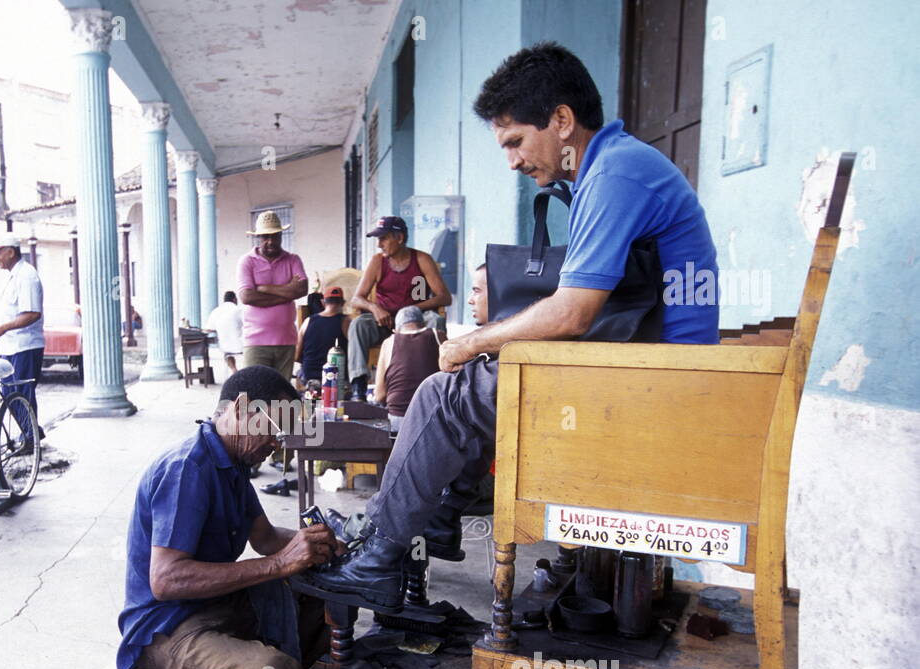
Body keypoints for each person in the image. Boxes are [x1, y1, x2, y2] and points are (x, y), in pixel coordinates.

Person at [302, 41, 719, 611]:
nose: (514, 162)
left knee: (442, 396)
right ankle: (433, 521)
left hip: (655, 379)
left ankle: (379, 555)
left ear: (562, 121)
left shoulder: (616, 172)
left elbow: (573, 312)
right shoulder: (614, 166)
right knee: (473, 383)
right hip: (651, 366)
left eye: (516, 141)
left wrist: (471, 342)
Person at [117, 365, 472, 669]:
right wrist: (281, 565)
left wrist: (324, 546)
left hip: (212, 608)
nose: (278, 445)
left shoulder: (231, 467)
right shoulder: (189, 471)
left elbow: (266, 539)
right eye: (275, 430)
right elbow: (166, 580)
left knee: (310, 596)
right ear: (243, 411)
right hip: (166, 632)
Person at [345, 216, 451, 401]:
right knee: (359, 325)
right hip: (384, 321)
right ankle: (358, 387)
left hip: (416, 321)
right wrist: (375, 308)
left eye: (383, 238)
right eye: (378, 239)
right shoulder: (377, 261)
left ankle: (439, 378)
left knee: (436, 320)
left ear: (399, 238)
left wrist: (412, 310)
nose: (379, 244)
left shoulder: (421, 259)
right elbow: (356, 299)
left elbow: (444, 297)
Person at [0, 232, 44, 452]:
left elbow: (32, 314)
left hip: (25, 346)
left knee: (21, 394)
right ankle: (32, 432)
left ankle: (31, 439)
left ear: (11, 252)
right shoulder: (13, 276)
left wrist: (3, 328)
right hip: (10, 346)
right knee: (10, 394)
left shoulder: (27, 276)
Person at [237, 211, 308, 380]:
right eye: (265, 237)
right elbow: (247, 297)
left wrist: (264, 288)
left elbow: (302, 289)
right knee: (254, 395)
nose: (270, 241)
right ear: (258, 238)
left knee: (280, 397)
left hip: (286, 340)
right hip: (256, 342)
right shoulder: (247, 261)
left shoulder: (292, 260)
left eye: (274, 236)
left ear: (281, 236)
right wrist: (287, 293)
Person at [374, 306, 441, 433]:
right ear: (423, 324)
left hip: (398, 419)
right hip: (432, 419)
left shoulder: (389, 342)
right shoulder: (437, 335)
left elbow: (379, 395)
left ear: (396, 329)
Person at [296, 285, 349, 387]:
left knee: (313, 401)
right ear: (343, 303)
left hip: (309, 377)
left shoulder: (308, 321)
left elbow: (296, 356)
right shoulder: (346, 322)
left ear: (323, 302)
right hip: (334, 378)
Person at [205, 290, 244, 376]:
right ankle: (244, 372)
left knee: (227, 354)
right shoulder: (238, 309)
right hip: (241, 345)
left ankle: (233, 369)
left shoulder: (216, 311)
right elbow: (247, 324)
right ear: (234, 299)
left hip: (224, 346)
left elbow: (208, 329)